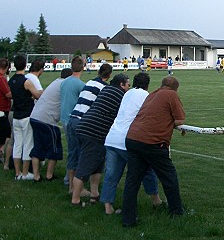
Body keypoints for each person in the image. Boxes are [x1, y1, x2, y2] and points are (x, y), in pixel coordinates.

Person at [122, 76, 186, 226]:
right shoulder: (171, 94)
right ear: (176, 88)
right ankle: (176, 211)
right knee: (169, 177)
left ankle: (128, 219)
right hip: (152, 142)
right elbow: (180, 120)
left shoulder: (152, 94)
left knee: (132, 181)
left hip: (132, 138)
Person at [101, 72, 163, 215]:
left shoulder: (127, 94)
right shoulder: (145, 96)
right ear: (147, 85)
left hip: (111, 138)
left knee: (111, 175)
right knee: (146, 169)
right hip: (126, 140)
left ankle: (107, 207)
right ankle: (156, 200)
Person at [71, 73, 130, 206]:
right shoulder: (119, 95)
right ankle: (75, 199)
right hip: (93, 132)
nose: (128, 88)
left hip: (85, 126)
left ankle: (94, 194)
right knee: (84, 166)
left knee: (97, 165)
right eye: (127, 85)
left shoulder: (106, 89)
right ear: (121, 84)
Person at [65, 63, 113, 195]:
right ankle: (80, 189)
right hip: (84, 122)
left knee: (73, 154)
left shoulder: (89, 83)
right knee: (85, 156)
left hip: (73, 118)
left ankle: (71, 186)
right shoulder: (105, 88)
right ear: (109, 75)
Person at [29, 68, 73, 182]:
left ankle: (36, 176)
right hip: (47, 120)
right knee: (55, 148)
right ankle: (49, 175)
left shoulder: (55, 82)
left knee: (38, 147)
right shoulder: (64, 85)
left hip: (35, 116)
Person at [8, 55, 43, 180]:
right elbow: (38, 95)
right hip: (26, 115)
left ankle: (17, 173)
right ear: (25, 65)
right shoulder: (26, 81)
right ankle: (24, 173)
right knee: (27, 144)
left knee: (18, 144)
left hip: (16, 114)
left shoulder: (11, 80)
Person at [60, 56, 86, 189]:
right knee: (76, 151)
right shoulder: (81, 85)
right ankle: (72, 182)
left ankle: (69, 179)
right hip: (73, 120)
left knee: (71, 149)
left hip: (64, 118)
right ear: (82, 67)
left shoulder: (64, 82)